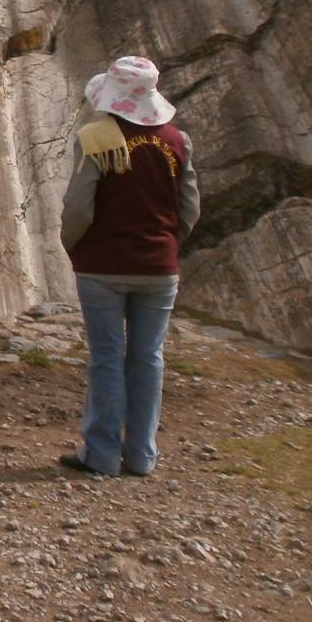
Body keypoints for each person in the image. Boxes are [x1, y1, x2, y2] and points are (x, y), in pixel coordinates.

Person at [59, 57, 200, 478]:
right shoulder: (178, 140)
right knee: (148, 358)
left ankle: (100, 454)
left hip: (102, 265)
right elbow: (188, 208)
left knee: (106, 357)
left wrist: (73, 246)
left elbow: (78, 206)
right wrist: (168, 244)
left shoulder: (95, 137)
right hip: (159, 267)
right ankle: (141, 455)